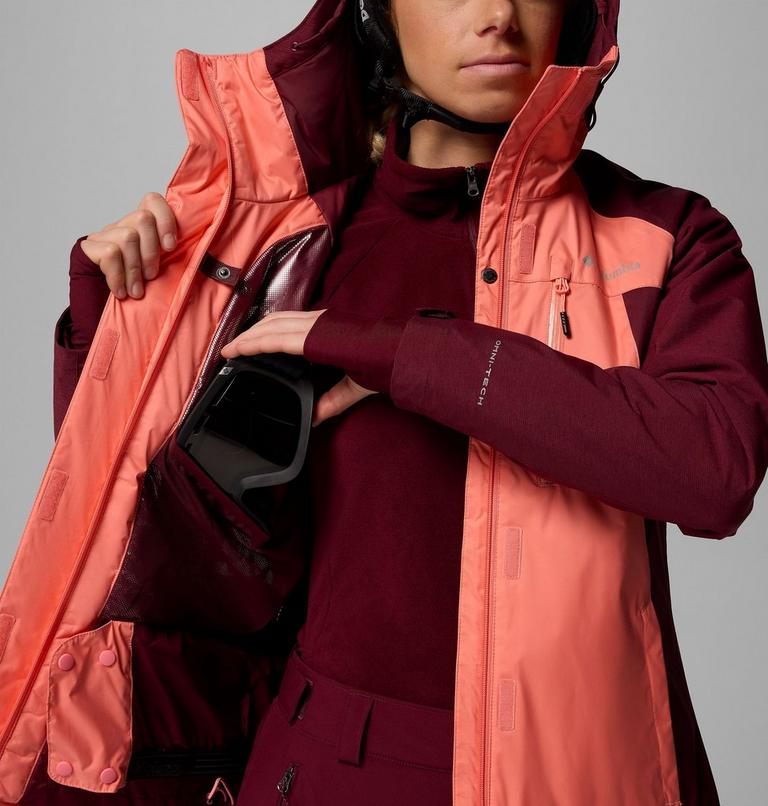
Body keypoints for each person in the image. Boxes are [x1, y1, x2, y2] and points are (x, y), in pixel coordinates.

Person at [48, 1, 767, 804]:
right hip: (322, 768)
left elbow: (713, 469)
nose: (498, 15)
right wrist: (114, 327)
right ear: (375, 10)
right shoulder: (297, 245)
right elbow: (165, 555)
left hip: (579, 774)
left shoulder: (667, 236)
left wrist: (405, 354)